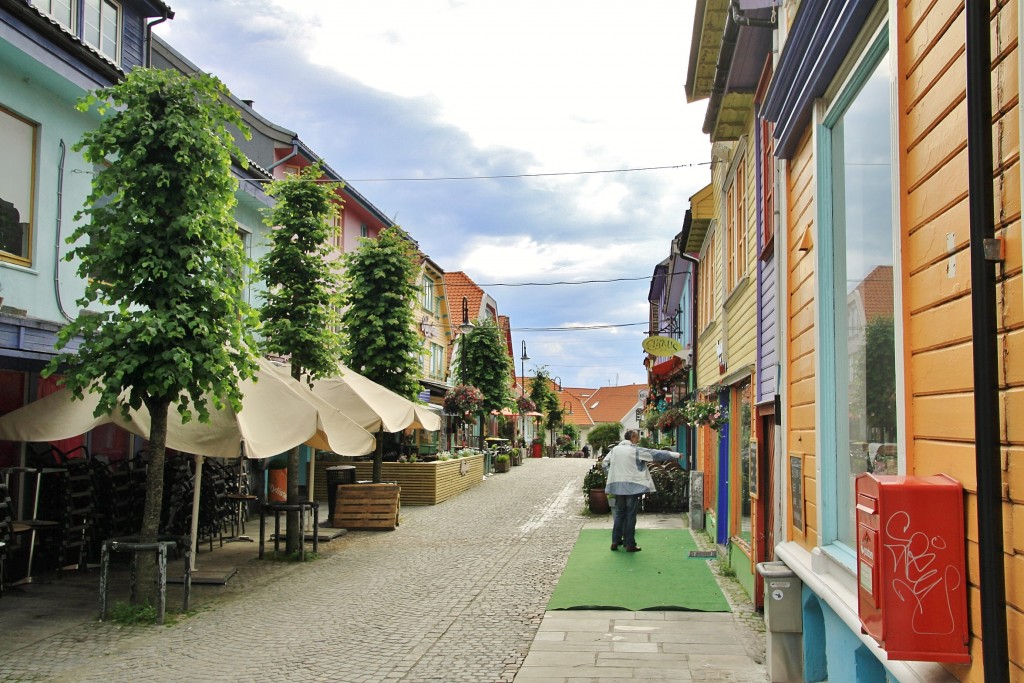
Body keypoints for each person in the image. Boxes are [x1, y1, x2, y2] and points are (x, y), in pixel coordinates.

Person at [602, 429, 683, 552]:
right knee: (630, 515)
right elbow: (655, 454)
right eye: (637, 436)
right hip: (632, 486)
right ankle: (630, 544)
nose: (638, 439)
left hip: (617, 485)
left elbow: (605, 463)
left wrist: (612, 474)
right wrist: (675, 455)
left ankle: (615, 541)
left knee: (619, 513)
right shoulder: (636, 451)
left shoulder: (614, 450)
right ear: (633, 437)